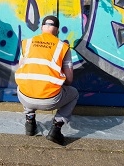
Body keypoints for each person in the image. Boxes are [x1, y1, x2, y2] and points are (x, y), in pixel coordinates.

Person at [14, 15, 79, 146]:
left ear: (42, 28)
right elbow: (69, 80)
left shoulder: (27, 43)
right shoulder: (63, 47)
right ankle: (56, 129)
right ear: (57, 30)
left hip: (25, 98)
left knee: (25, 84)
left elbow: (22, 68)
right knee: (74, 94)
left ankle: (30, 122)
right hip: (50, 100)